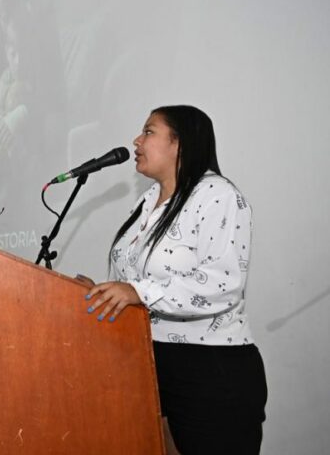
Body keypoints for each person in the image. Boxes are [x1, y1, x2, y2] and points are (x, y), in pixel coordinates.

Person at [82, 105, 267, 455]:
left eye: (149, 131)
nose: (137, 140)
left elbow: (222, 284)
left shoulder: (218, 195)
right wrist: (104, 290)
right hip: (151, 360)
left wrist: (137, 291)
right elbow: (135, 279)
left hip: (210, 370)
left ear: (180, 144)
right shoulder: (147, 200)